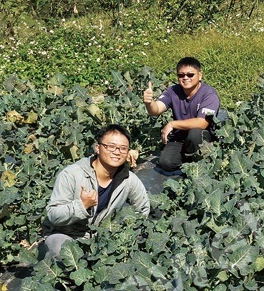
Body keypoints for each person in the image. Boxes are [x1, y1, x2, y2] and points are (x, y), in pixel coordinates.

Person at [40, 124, 150, 259]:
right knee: (59, 247)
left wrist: (127, 231)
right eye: (111, 146)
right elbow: (54, 215)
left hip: (101, 238)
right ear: (97, 148)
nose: (117, 152)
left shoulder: (129, 179)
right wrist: (82, 205)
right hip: (67, 235)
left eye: (123, 148)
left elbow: (143, 209)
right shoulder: (72, 174)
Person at [143, 57, 220, 173]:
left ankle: (200, 160)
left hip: (203, 136)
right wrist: (149, 103)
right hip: (180, 138)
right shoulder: (172, 91)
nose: (185, 78)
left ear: (200, 75)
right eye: (181, 75)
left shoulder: (208, 94)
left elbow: (202, 123)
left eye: (190, 75)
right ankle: (188, 160)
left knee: (195, 133)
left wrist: (173, 124)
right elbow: (156, 110)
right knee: (166, 163)